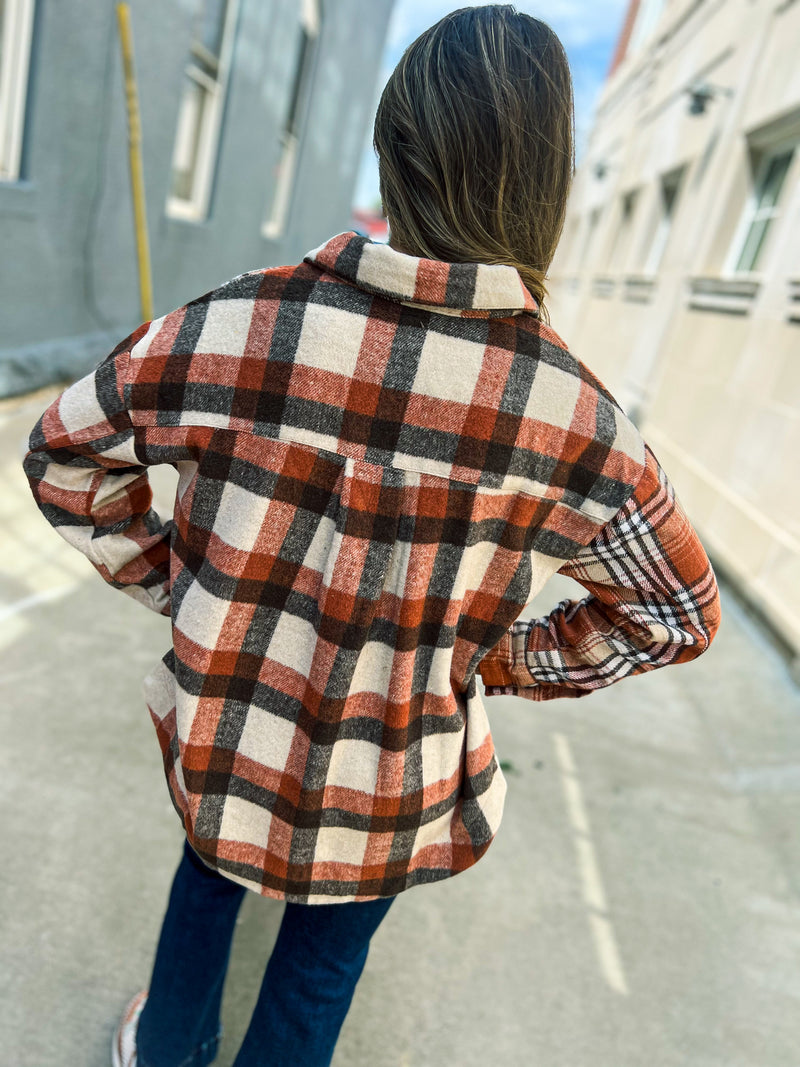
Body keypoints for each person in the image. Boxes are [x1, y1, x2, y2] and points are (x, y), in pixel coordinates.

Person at [22, 6, 721, 1066]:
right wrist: (499, 658)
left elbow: (64, 452)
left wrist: (181, 580)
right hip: (396, 781)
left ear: (393, 151)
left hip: (229, 730)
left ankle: (161, 1049)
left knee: (207, 881)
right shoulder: (574, 417)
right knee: (317, 971)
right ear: (545, 183)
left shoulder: (238, 321)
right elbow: (675, 610)